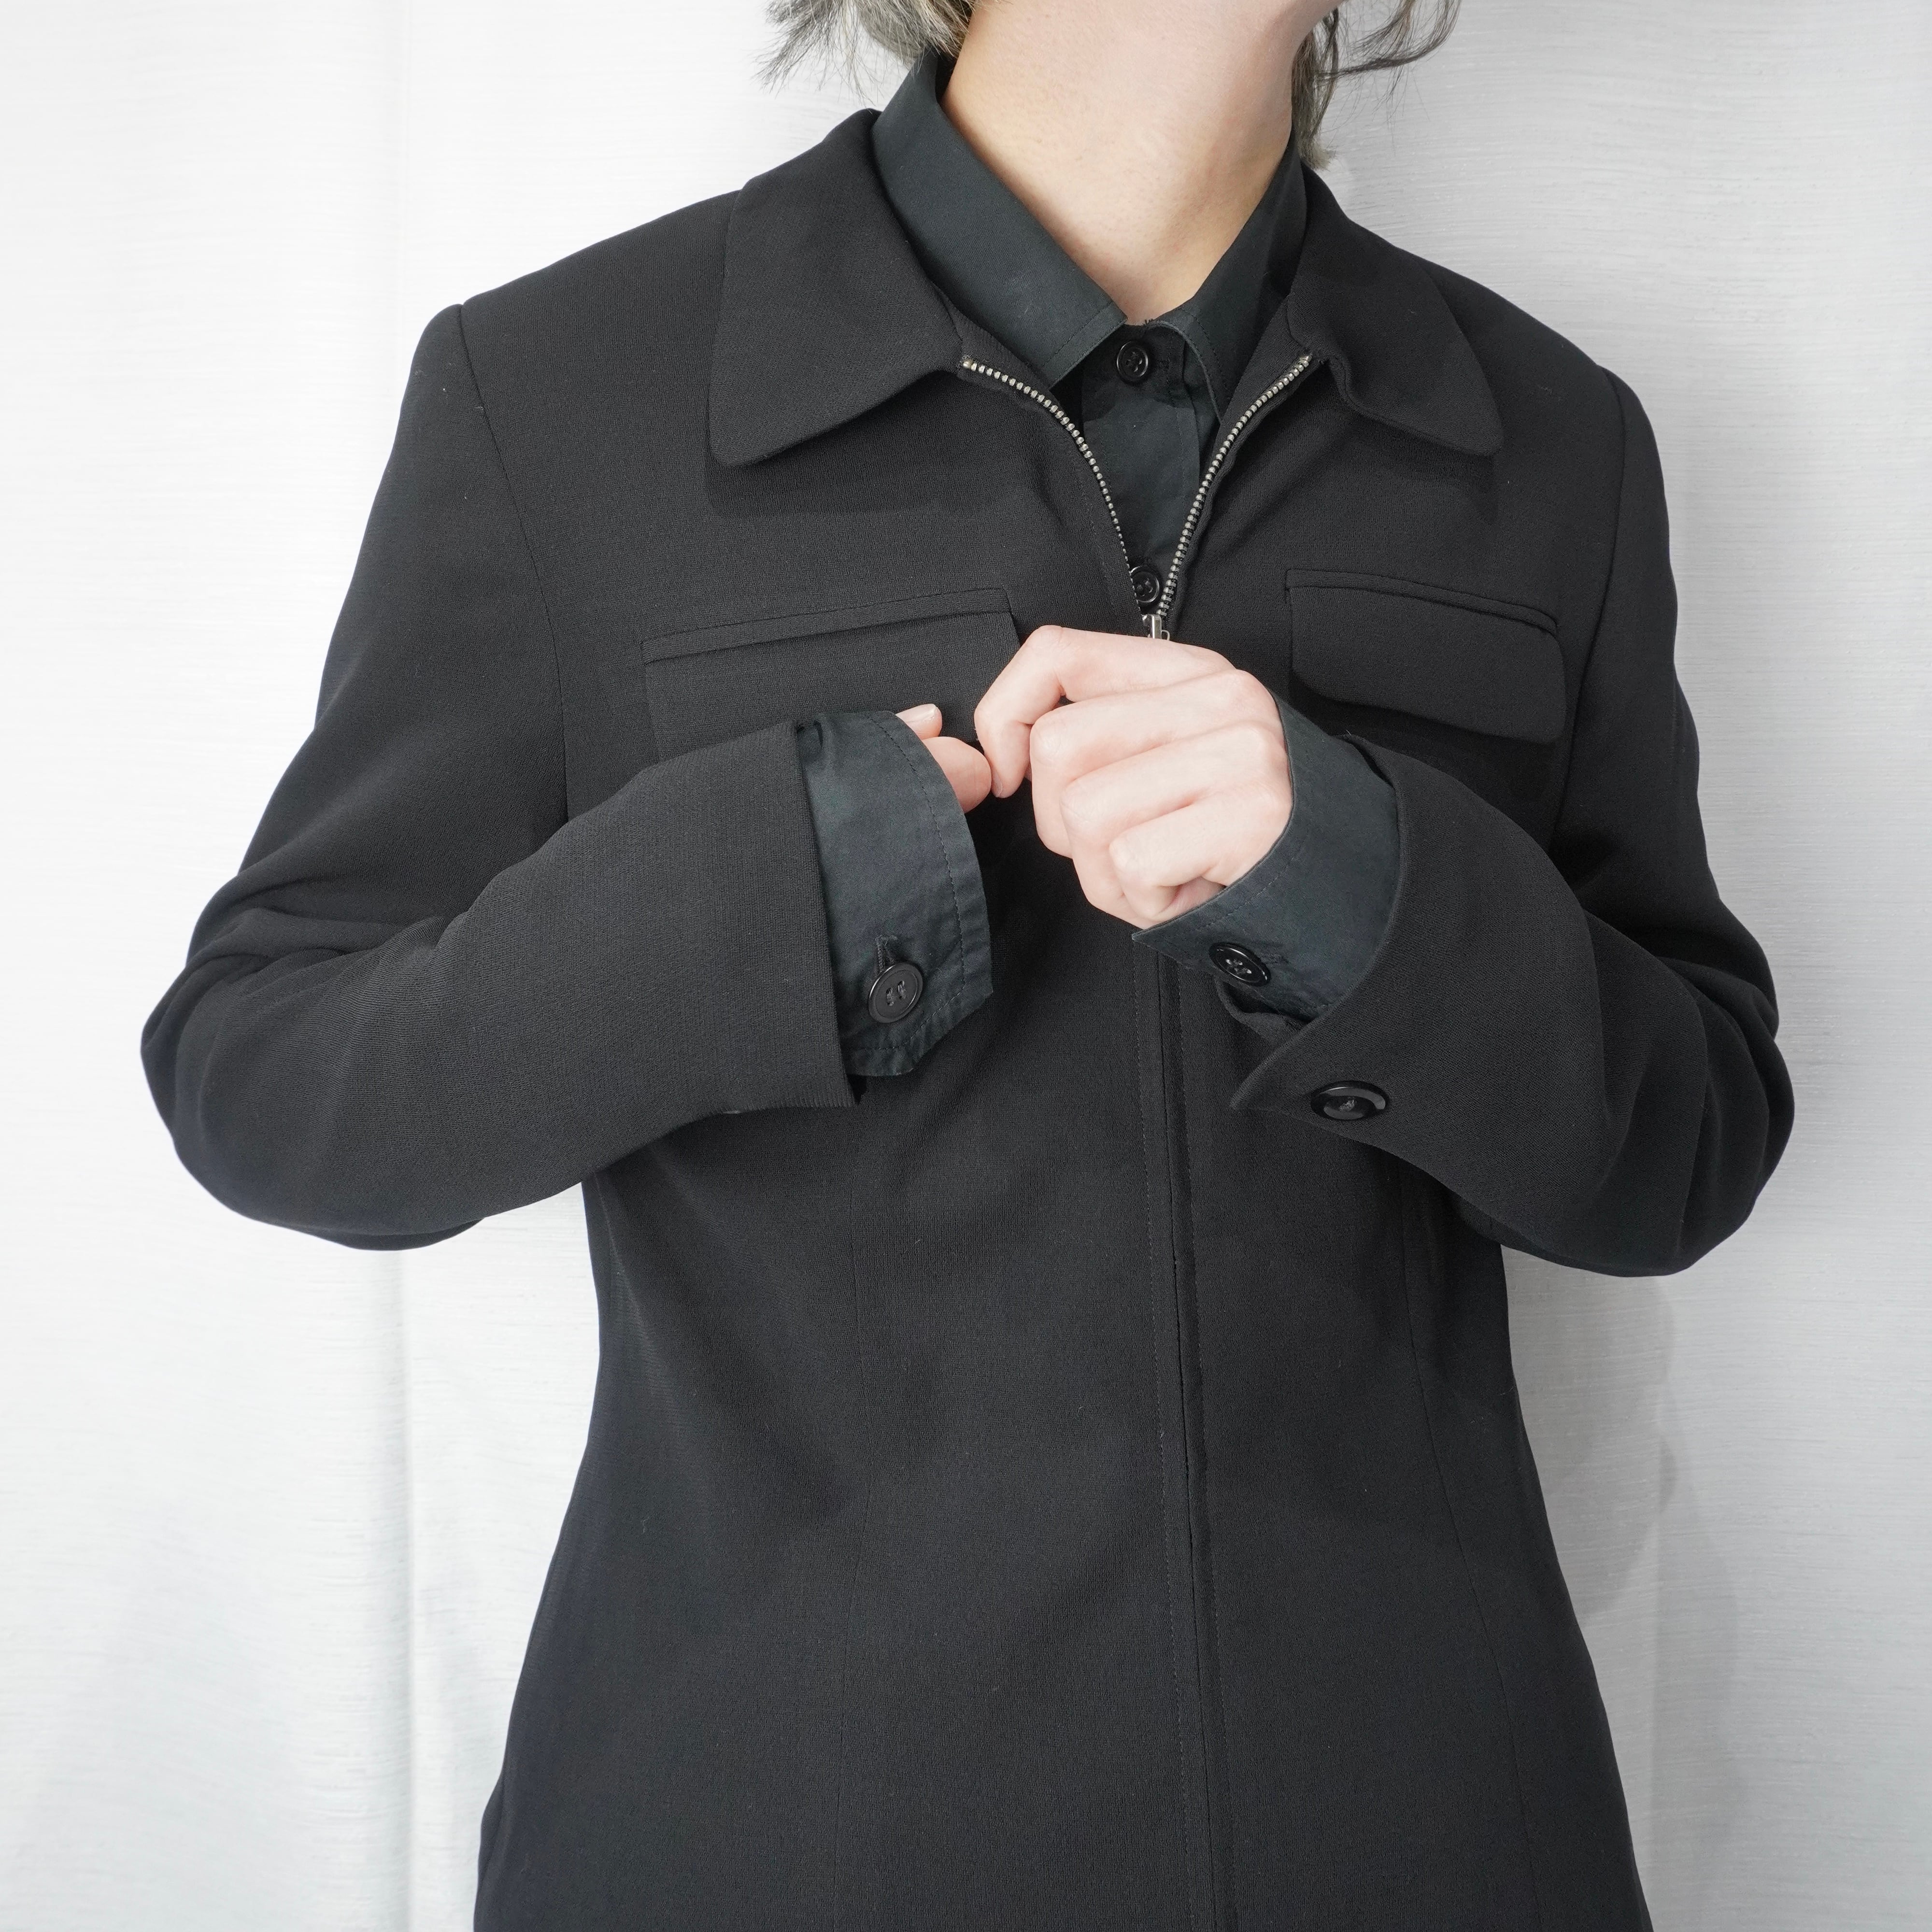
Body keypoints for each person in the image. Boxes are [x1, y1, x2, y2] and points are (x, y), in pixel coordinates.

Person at [142, 0, 1792, 1924]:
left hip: (1415, 1832)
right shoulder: (564, 394)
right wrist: (762, 893)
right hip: (777, 1838)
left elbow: (1685, 1146)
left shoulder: (1550, 439)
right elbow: (269, 1073)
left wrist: (1356, 877)